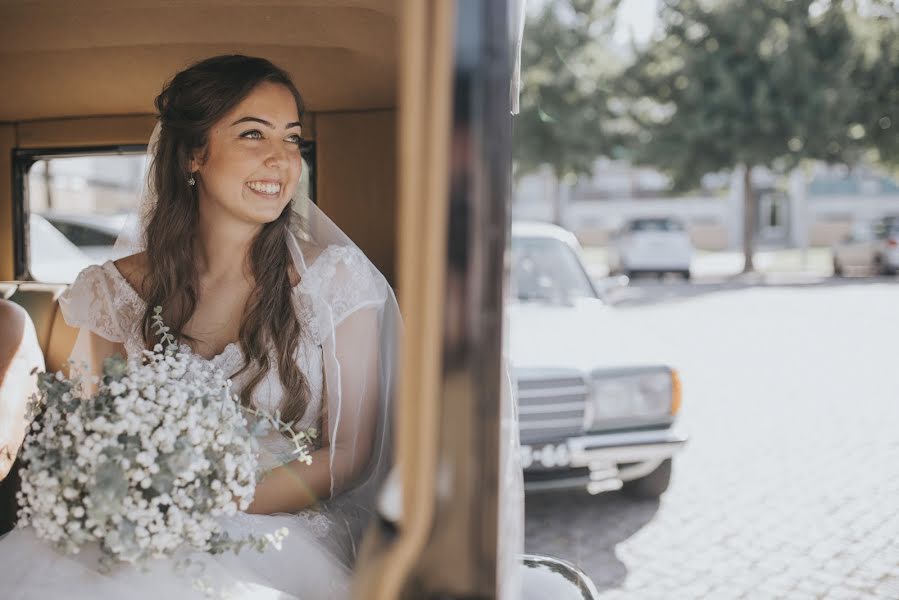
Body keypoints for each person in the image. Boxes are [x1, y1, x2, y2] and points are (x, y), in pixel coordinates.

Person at [0, 55, 399, 600]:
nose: (281, 160)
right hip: (141, 533)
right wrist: (139, 507)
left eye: (291, 139)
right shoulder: (112, 292)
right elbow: (100, 438)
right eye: (253, 134)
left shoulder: (337, 281)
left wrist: (197, 506)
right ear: (193, 154)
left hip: (280, 537)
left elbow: (349, 455)